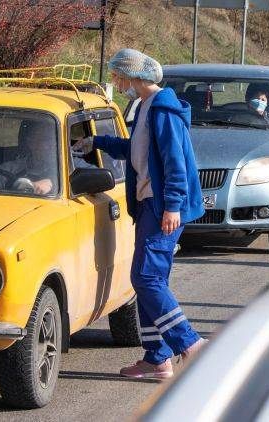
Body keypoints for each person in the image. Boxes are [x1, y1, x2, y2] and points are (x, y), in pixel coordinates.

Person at [76, 48, 206, 379]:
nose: (117, 84)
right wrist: (97, 143)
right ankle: (156, 357)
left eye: (118, 77)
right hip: (150, 204)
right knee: (150, 279)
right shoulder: (145, 106)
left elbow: (175, 162)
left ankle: (190, 345)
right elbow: (134, 148)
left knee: (145, 278)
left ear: (134, 76)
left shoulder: (163, 110)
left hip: (163, 207)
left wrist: (172, 206)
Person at [0, 119, 57, 195]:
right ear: (31, 143)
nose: (53, 145)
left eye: (56, 140)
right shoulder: (7, 170)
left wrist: (52, 183)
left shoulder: (68, 169)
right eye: (47, 139)